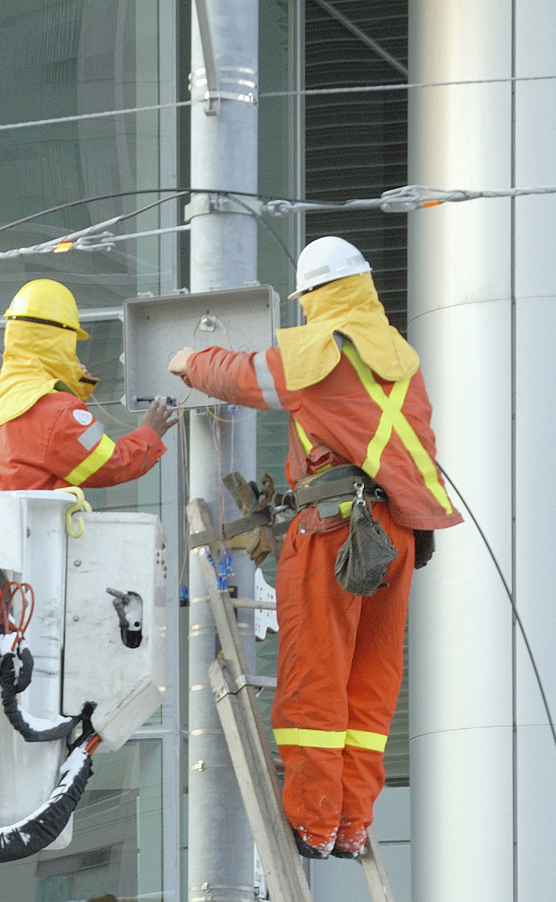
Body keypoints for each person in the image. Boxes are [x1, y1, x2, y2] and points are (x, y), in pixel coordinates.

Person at [168, 237, 461, 860]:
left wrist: (192, 360)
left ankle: (314, 820)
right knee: (371, 680)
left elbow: (244, 378)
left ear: (314, 299)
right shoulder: (400, 357)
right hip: (397, 536)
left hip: (334, 531)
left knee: (317, 675)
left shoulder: (323, 349)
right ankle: (351, 824)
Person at [0, 279, 177, 493]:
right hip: (28, 525)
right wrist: (150, 433)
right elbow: (112, 464)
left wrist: (72, 390)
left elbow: (40, 447)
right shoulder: (57, 411)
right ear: (60, 342)